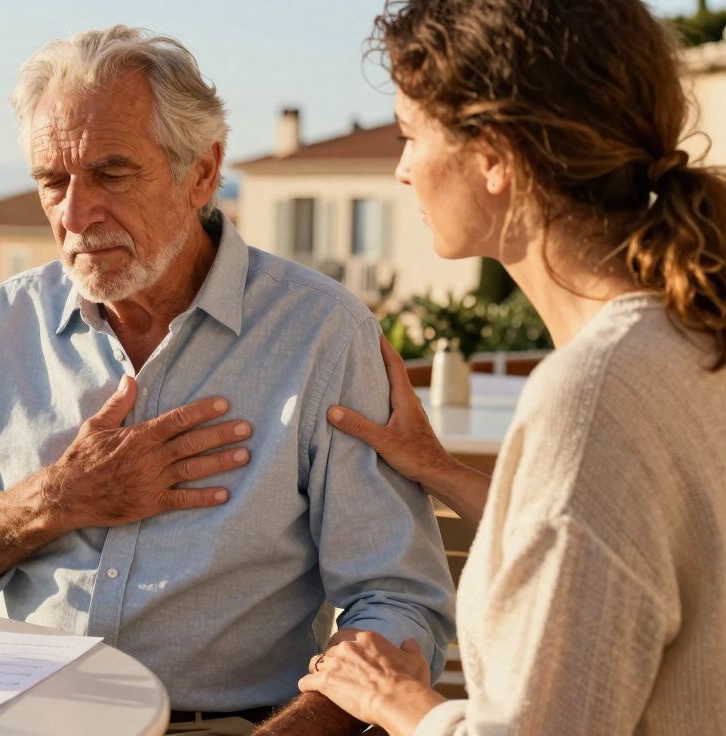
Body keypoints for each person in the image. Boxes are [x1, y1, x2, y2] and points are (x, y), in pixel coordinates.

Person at [0, 25, 455, 736]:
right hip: (9, 716)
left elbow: (399, 603)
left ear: (202, 174)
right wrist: (53, 499)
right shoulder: (8, 323)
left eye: (112, 174)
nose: (76, 215)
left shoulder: (321, 334)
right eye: (53, 182)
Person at [290, 1, 726, 734]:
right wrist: (438, 467)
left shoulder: (594, 395)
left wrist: (401, 704)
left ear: (493, 156)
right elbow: (613, 566)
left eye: (409, 135)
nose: (401, 170)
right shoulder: (684, 334)